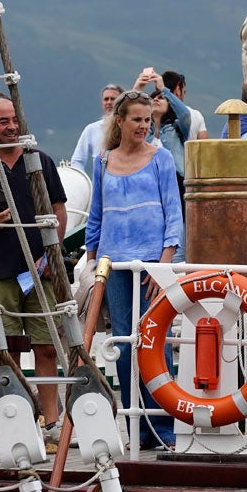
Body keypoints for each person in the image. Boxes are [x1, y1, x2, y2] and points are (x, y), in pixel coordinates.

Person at [84, 90, 182, 449]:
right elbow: (96, 216)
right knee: (125, 345)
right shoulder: (103, 160)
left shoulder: (161, 157)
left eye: (147, 119)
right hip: (114, 265)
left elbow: (173, 214)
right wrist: (92, 265)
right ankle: (136, 427)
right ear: (120, 121)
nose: (143, 125)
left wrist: (164, 267)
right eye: (136, 119)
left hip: (153, 264)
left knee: (155, 343)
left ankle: (164, 427)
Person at [0, 94, 68, 437]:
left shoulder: (41, 162)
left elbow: (58, 211)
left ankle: (51, 423)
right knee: (6, 350)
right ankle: (15, 421)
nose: (12, 127)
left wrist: (53, 256)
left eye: (15, 120)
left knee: (47, 347)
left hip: (41, 274)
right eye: (3, 121)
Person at [71, 83, 122, 174]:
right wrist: (83, 180)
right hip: (100, 179)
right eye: (106, 99)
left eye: (113, 99)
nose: (109, 102)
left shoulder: (128, 128)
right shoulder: (91, 129)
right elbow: (77, 161)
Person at [162, 71, 208, 140]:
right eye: (184, 92)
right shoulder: (195, 115)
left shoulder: (153, 113)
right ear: (178, 90)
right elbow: (204, 143)